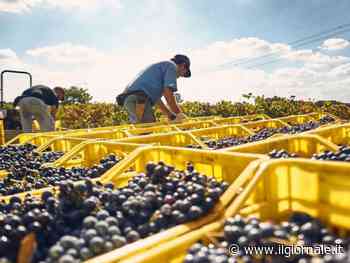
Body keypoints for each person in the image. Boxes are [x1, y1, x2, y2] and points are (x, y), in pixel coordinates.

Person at [117, 54, 191, 124]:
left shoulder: (160, 69)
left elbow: (157, 100)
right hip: (139, 99)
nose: (179, 77)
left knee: (142, 130)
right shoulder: (172, 66)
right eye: (183, 74)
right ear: (183, 65)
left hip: (130, 100)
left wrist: (170, 115)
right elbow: (168, 94)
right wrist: (179, 114)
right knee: (147, 130)